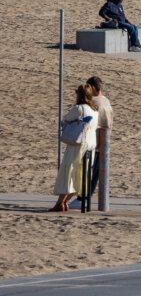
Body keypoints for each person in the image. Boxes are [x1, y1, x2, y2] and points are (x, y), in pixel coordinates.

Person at [52, 84, 98, 212]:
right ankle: (65, 202)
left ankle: (60, 203)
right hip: (91, 145)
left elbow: (65, 120)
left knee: (69, 172)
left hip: (77, 144)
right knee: (81, 175)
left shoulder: (78, 109)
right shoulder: (95, 110)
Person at [85, 76, 112, 202]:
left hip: (93, 141)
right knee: (95, 173)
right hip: (104, 140)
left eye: (89, 87)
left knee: (88, 171)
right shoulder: (106, 100)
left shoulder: (93, 101)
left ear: (94, 88)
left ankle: (84, 198)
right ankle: (86, 197)